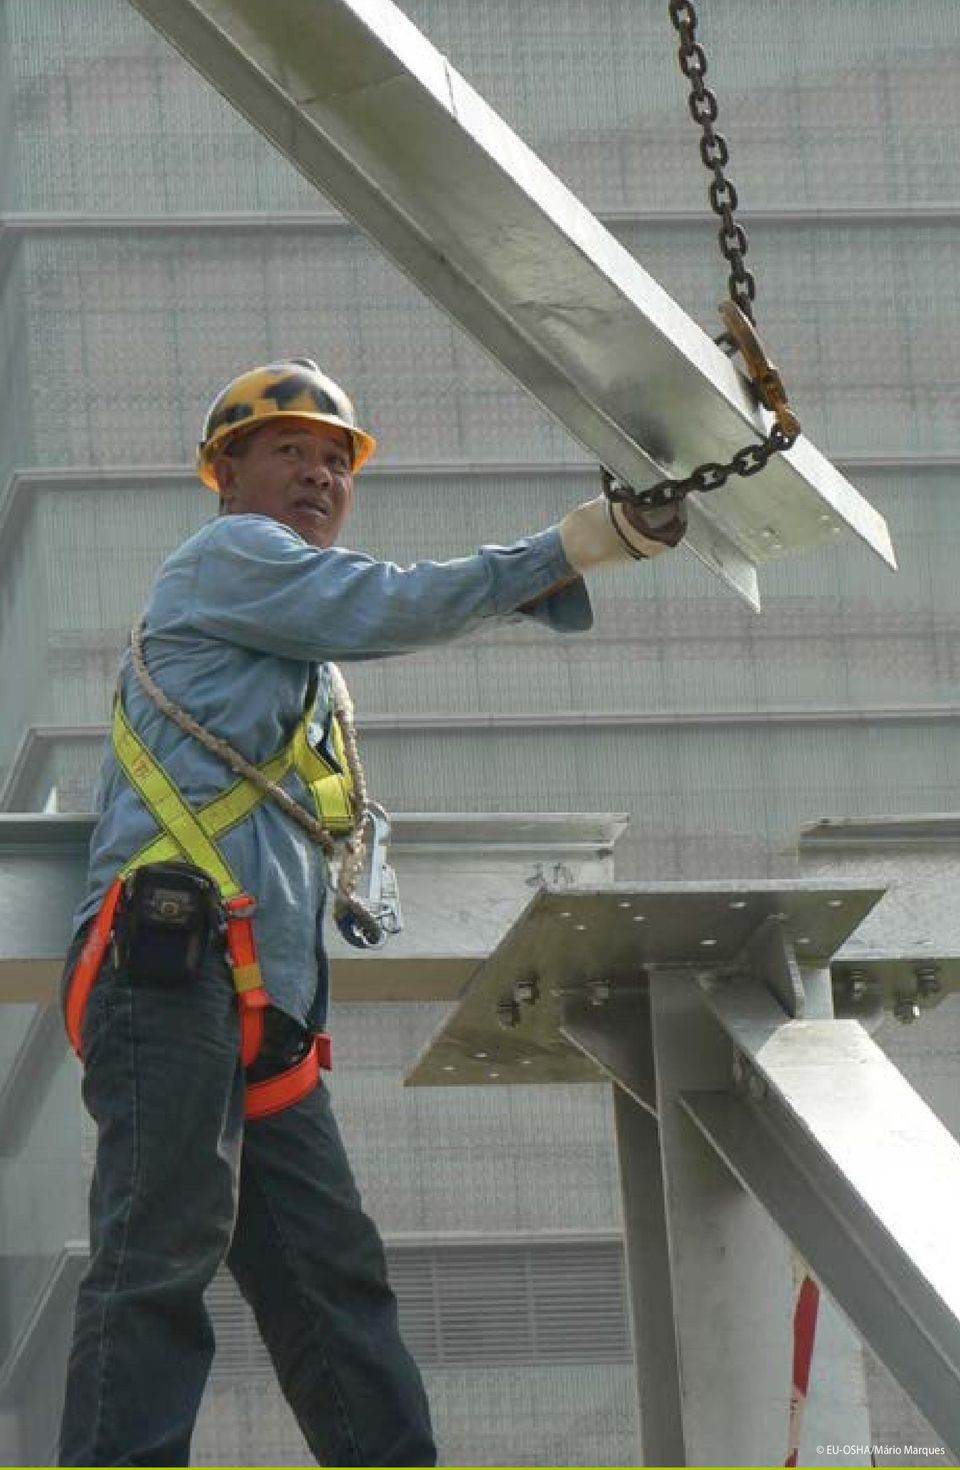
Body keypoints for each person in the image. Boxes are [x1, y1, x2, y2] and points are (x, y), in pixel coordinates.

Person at [57, 358, 686, 1466]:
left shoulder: (298, 665)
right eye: (290, 451)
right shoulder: (229, 560)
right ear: (228, 476)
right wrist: (584, 544)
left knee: (330, 1282)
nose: (318, 474)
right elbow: (393, 604)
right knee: (159, 1250)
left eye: (337, 460)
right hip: (170, 971)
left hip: (256, 1003)